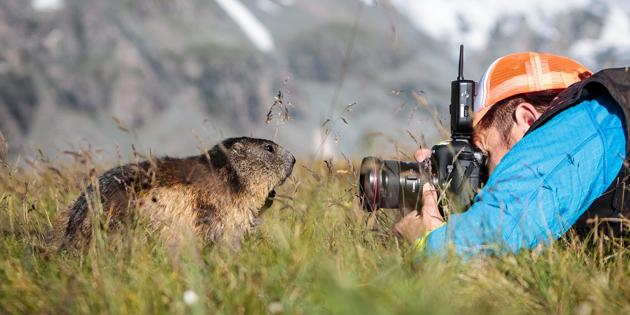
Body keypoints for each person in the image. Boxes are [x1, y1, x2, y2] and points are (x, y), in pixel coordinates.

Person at [394, 52, 630, 258]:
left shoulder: (585, 120)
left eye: (485, 155)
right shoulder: (603, 121)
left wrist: (425, 238)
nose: (484, 178)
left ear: (526, 121)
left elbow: (487, 241)